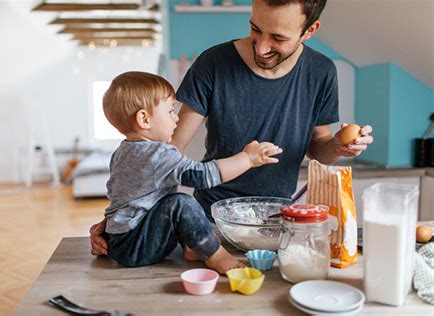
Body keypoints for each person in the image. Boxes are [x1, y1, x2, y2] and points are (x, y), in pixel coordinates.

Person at [90, 0, 374, 256]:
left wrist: (338, 146)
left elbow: (319, 148)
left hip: (277, 220)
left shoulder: (321, 71)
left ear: (310, 30)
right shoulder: (213, 63)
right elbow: (166, 152)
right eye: (255, 29)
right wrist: (126, 218)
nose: (262, 47)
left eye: (277, 38)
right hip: (209, 222)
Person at [100, 71, 281, 273]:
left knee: (169, 202)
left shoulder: (122, 152)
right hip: (135, 246)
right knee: (181, 203)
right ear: (144, 119)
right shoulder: (158, 154)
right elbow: (202, 176)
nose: (176, 118)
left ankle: (194, 247)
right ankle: (216, 256)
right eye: (169, 111)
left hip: (119, 240)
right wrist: (247, 159)